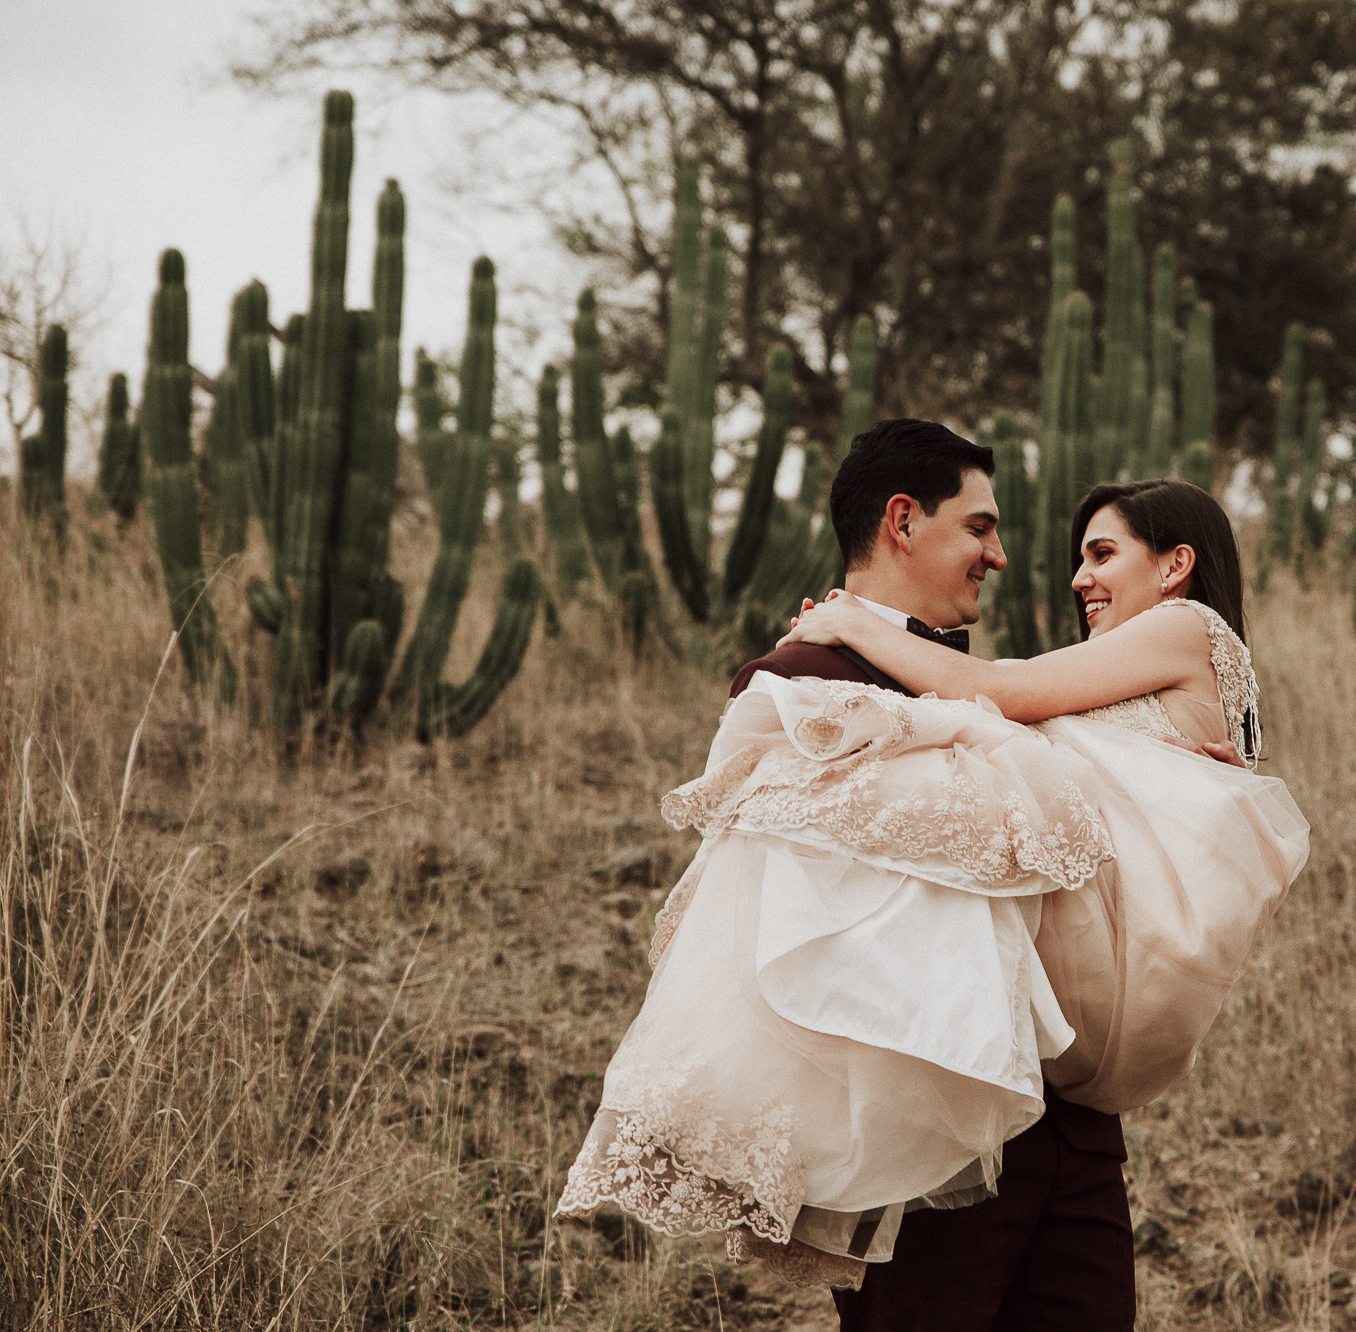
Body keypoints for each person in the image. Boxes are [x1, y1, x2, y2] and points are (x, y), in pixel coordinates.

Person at [554, 420, 1307, 1328]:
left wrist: (1172, 781)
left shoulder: (990, 680)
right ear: (904, 522)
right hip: (932, 1125)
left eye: (1097, 552)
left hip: (1070, 1111)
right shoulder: (802, 679)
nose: (1005, 556)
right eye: (980, 528)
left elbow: (1020, 721)